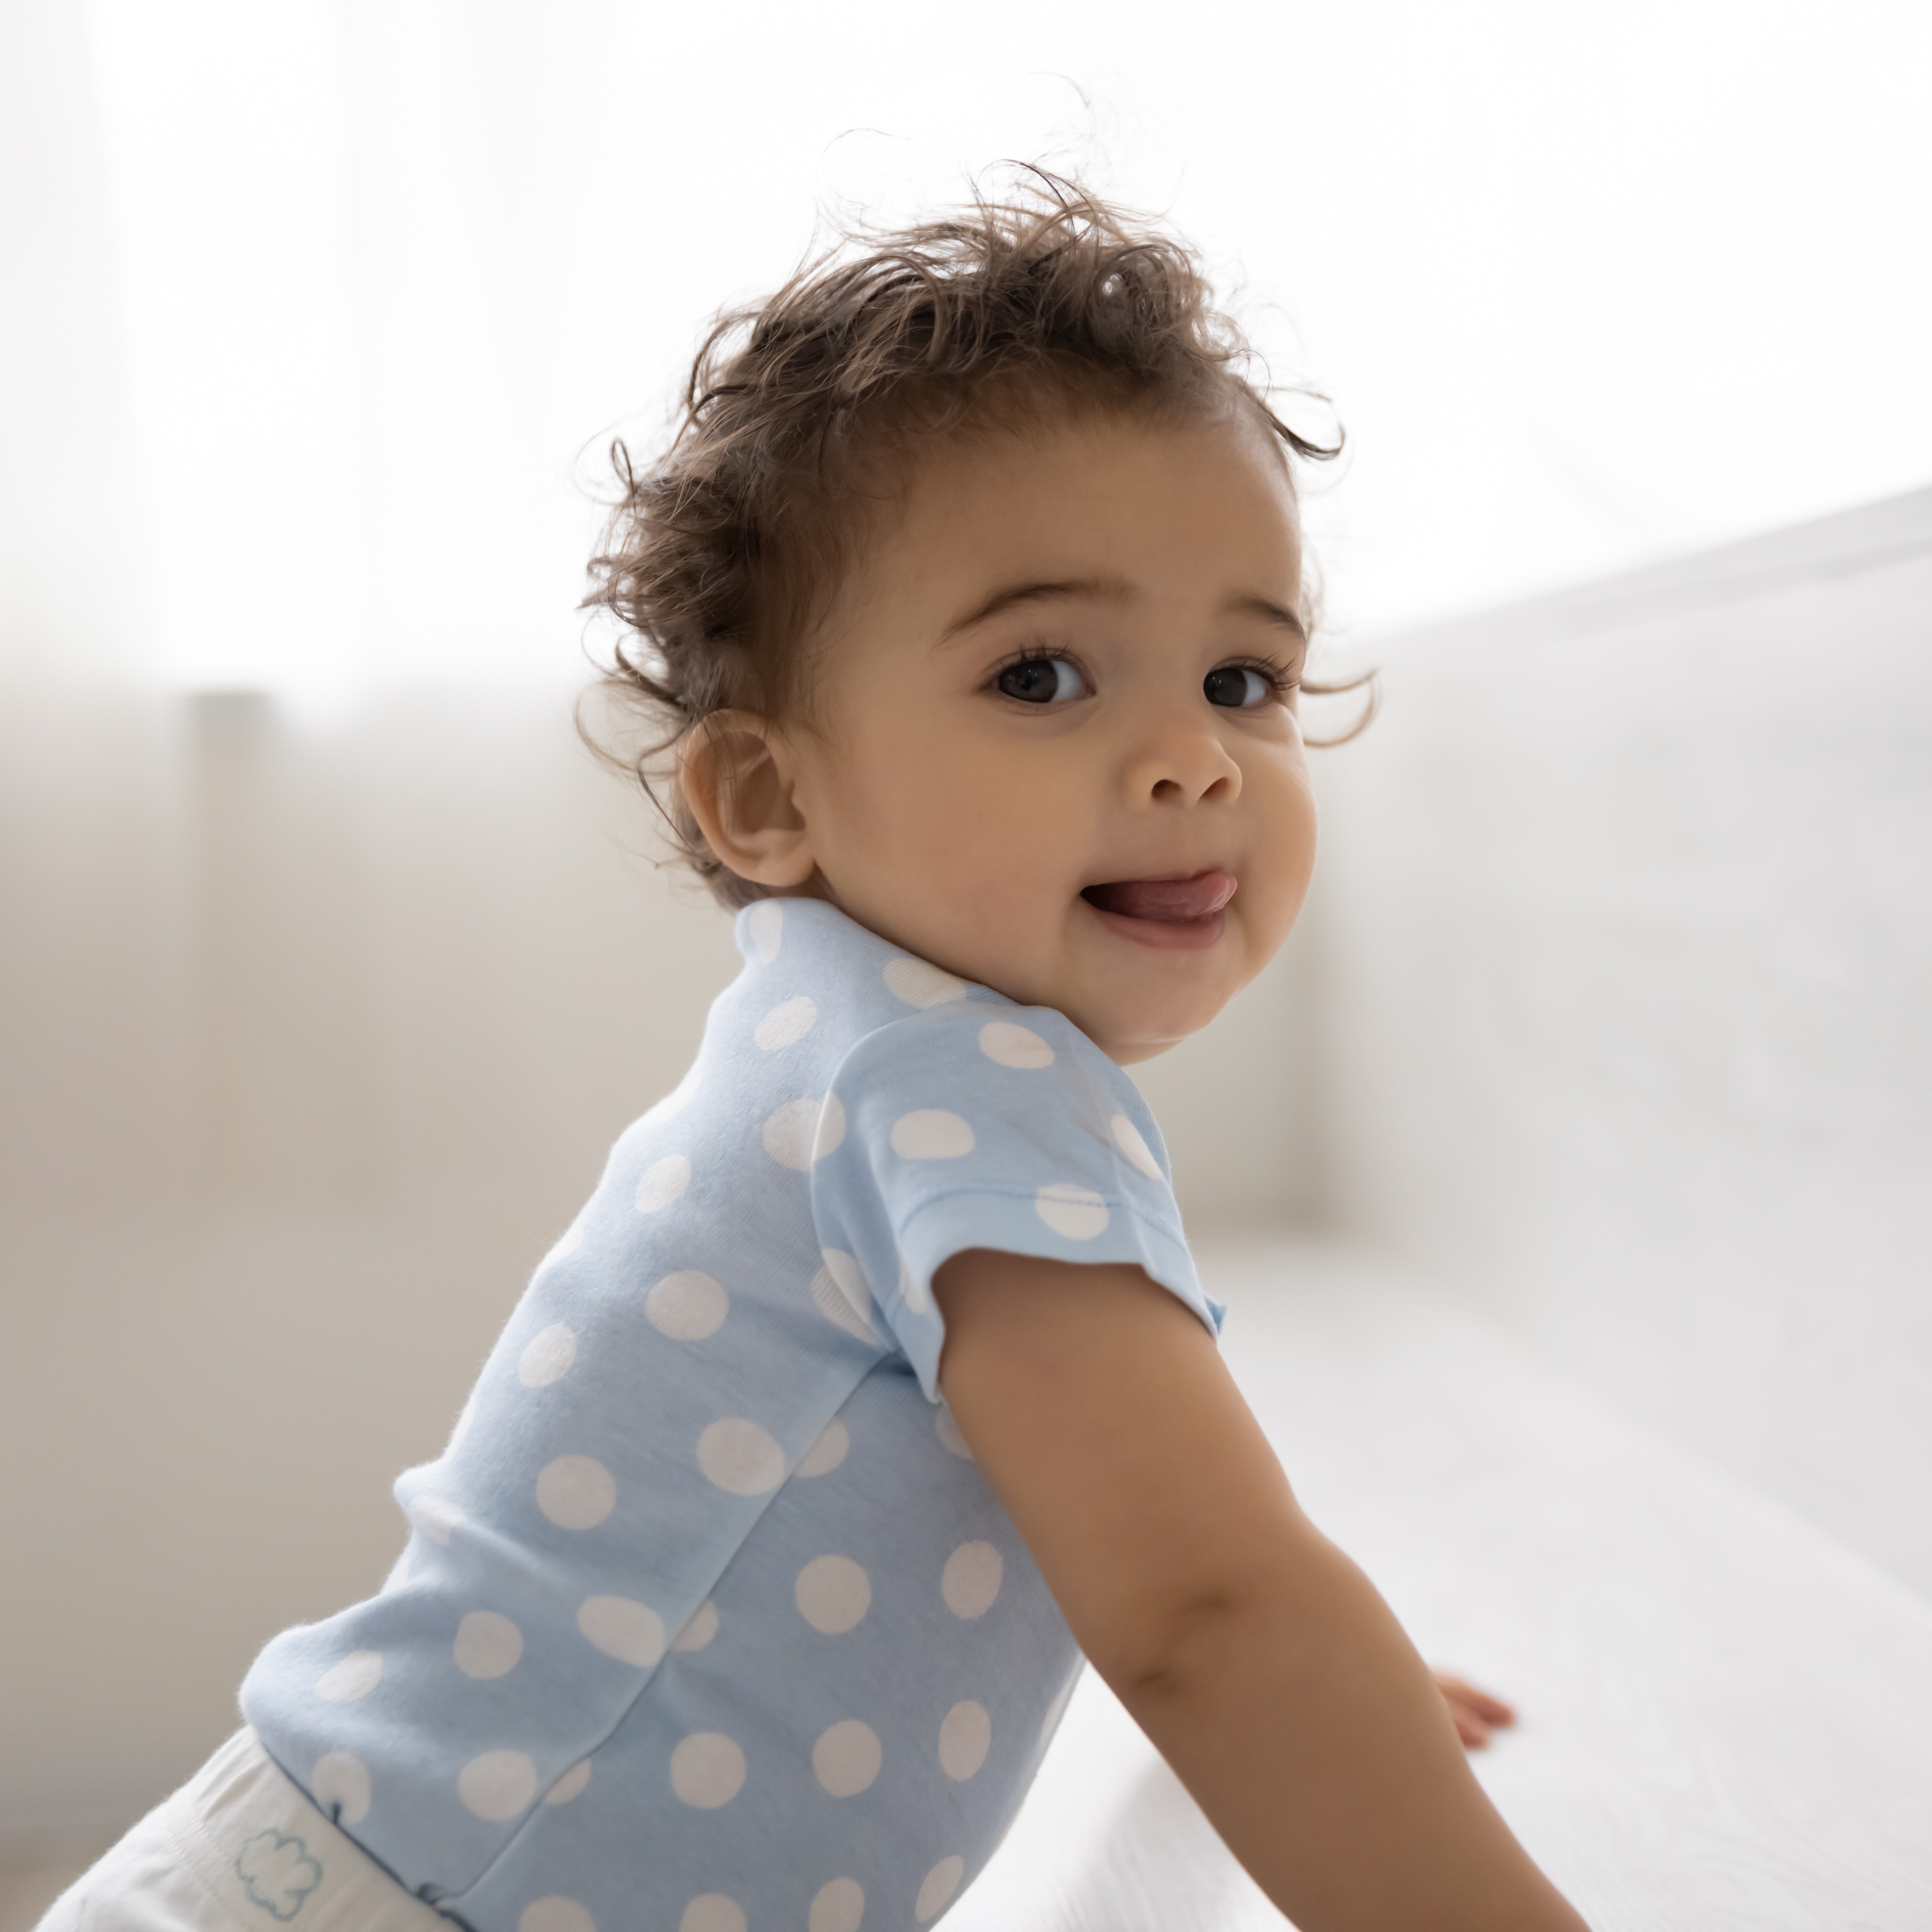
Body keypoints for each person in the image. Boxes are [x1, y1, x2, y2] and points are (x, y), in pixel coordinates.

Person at [44, 178, 1585, 1932]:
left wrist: (1333, 1687)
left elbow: (1161, 1546)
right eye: (1041, 675)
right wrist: (1286, 1681)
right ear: (770, 794)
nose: (1192, 760)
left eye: (1244, 679)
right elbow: (1204, 1617)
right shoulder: (960, 1087)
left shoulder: (855, 1041)